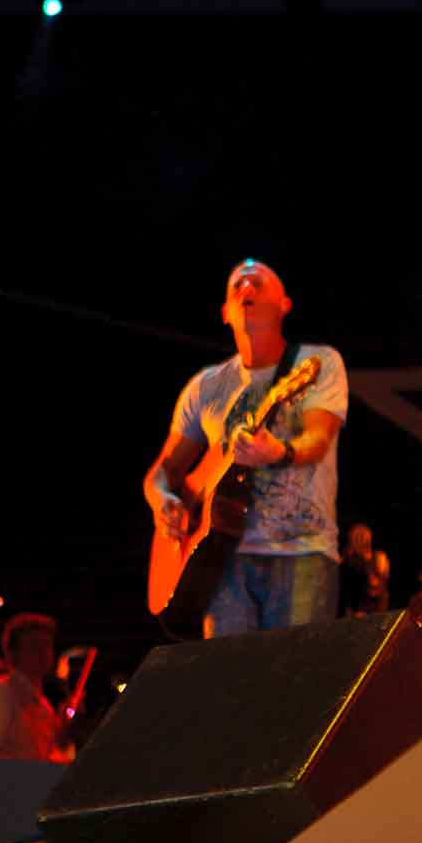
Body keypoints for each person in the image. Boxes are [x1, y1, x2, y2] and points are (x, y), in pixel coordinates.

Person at [143, 260, 349, 636]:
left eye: (258, 281)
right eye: (237, 283)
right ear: (225, 313)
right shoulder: (206, 386)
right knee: (230, 685)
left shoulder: (318, 364)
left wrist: (280, 452)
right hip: (220, 561)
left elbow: (319, 440)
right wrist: (164, 502)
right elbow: (161, 474)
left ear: (285, 304)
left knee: (295, 682)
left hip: (302, 553)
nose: (246, 285)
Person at [0, 613, 73, 763]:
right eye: (34, 646)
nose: (43, 652)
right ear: (11, 654)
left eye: (47, 645)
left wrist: (64, 732)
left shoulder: (44, 705)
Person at [339, 523, 392, 617]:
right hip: (355, 607)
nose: (362, 540)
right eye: (358, 537)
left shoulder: (379, 557)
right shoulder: (348, 559)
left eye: (364, 536)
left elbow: (379, 583)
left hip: (375, 607)